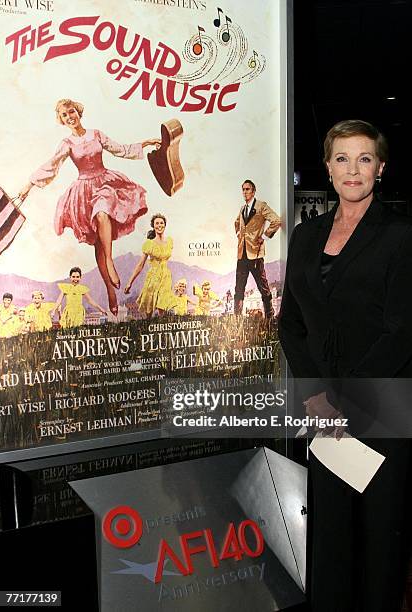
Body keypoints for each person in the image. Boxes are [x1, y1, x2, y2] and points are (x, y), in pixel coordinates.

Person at [278, 119, 412, 612]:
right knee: (330, 537)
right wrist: (317, 394)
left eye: (363, 159)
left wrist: (343, 398)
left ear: (380, 168)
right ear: (328, 168)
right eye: (341, 158)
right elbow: (291, 323)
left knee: (380, 541)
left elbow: (401, 333)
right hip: (324, 410)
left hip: (381, 407)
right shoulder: (306, 235)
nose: (352, 169)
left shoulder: (400, 236)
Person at [18, 98, 160, 316]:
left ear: (78, 112)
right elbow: (51, 166)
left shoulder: (96, 134)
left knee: (102, 213)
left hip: (104, 184)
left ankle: (111, 262)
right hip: (84, 192)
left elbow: (120, 149)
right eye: (64, 115)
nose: (70, 117)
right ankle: (110, 292)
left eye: (71, 112)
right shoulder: (66, 144)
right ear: (62, 120)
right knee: (98, 246)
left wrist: (146, 143)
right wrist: (28, 185)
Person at [234, 180, 281, 318]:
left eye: (248, 189)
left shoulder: (261, 206)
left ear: (253, 191)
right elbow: (237, 223)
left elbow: (276, 220)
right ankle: (236, 319)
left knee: (263, 287)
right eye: (243, 189)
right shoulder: (243, 208)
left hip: (255, 254)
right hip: (241, 254)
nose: (245, 192)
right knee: (239, 288)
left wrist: (264, 236)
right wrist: (239, 235)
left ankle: (269, 317)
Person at [124, 214, 173, 318]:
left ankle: (162, 327)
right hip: (153, 277)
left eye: (161, 223)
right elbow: (140, 265)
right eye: (157, 223)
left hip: (166, 277)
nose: (159, 225)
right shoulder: (149, 244)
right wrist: (129, 282)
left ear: (165, 225)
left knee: (162, 305)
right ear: (153, 226)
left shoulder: (169, 241)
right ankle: (148, 324)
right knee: (149, 307)